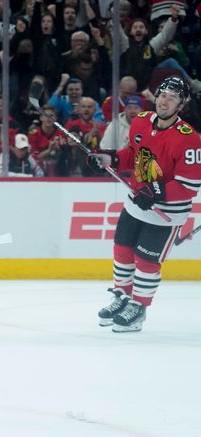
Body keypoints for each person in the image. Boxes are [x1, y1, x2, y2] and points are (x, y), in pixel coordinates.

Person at [92, 76, 201, 332]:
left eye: (172, 97)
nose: (165, 101)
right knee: (122, 251)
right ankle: (121, 297)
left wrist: (157, 192)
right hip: (134, 203)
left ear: (181, 104)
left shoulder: (190, 139)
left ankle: (138, 308)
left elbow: (190, 186)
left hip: (166, 213)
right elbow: (133, 154)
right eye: (163, 94)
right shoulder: (141, 120)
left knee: (146, 261)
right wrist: (111, 159)